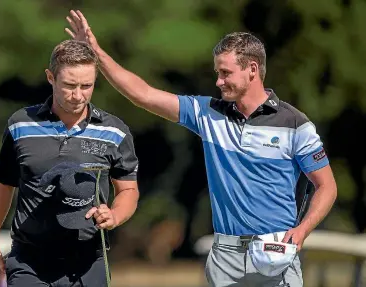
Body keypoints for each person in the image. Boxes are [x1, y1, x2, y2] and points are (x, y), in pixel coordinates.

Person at [65, 10, 338, 287]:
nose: (218, 81)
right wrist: (95, 53)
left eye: (226, 73)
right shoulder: (207, 113)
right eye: (217, 73)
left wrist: (302, 231)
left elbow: (326, 186)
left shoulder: (295, 123)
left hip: (276, 253)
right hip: (225, 256)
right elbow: (143, 94)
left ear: (252, 70)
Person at [0, 39, 140, 287]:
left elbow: (128, 189)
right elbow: (1, 185)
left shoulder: (115, 131)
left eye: (87, 86)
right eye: (69, 85)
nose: (78, 95)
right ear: (50, 78)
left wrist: (115, 215)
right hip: (28, 261)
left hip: (88, 261)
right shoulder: (20, 124)